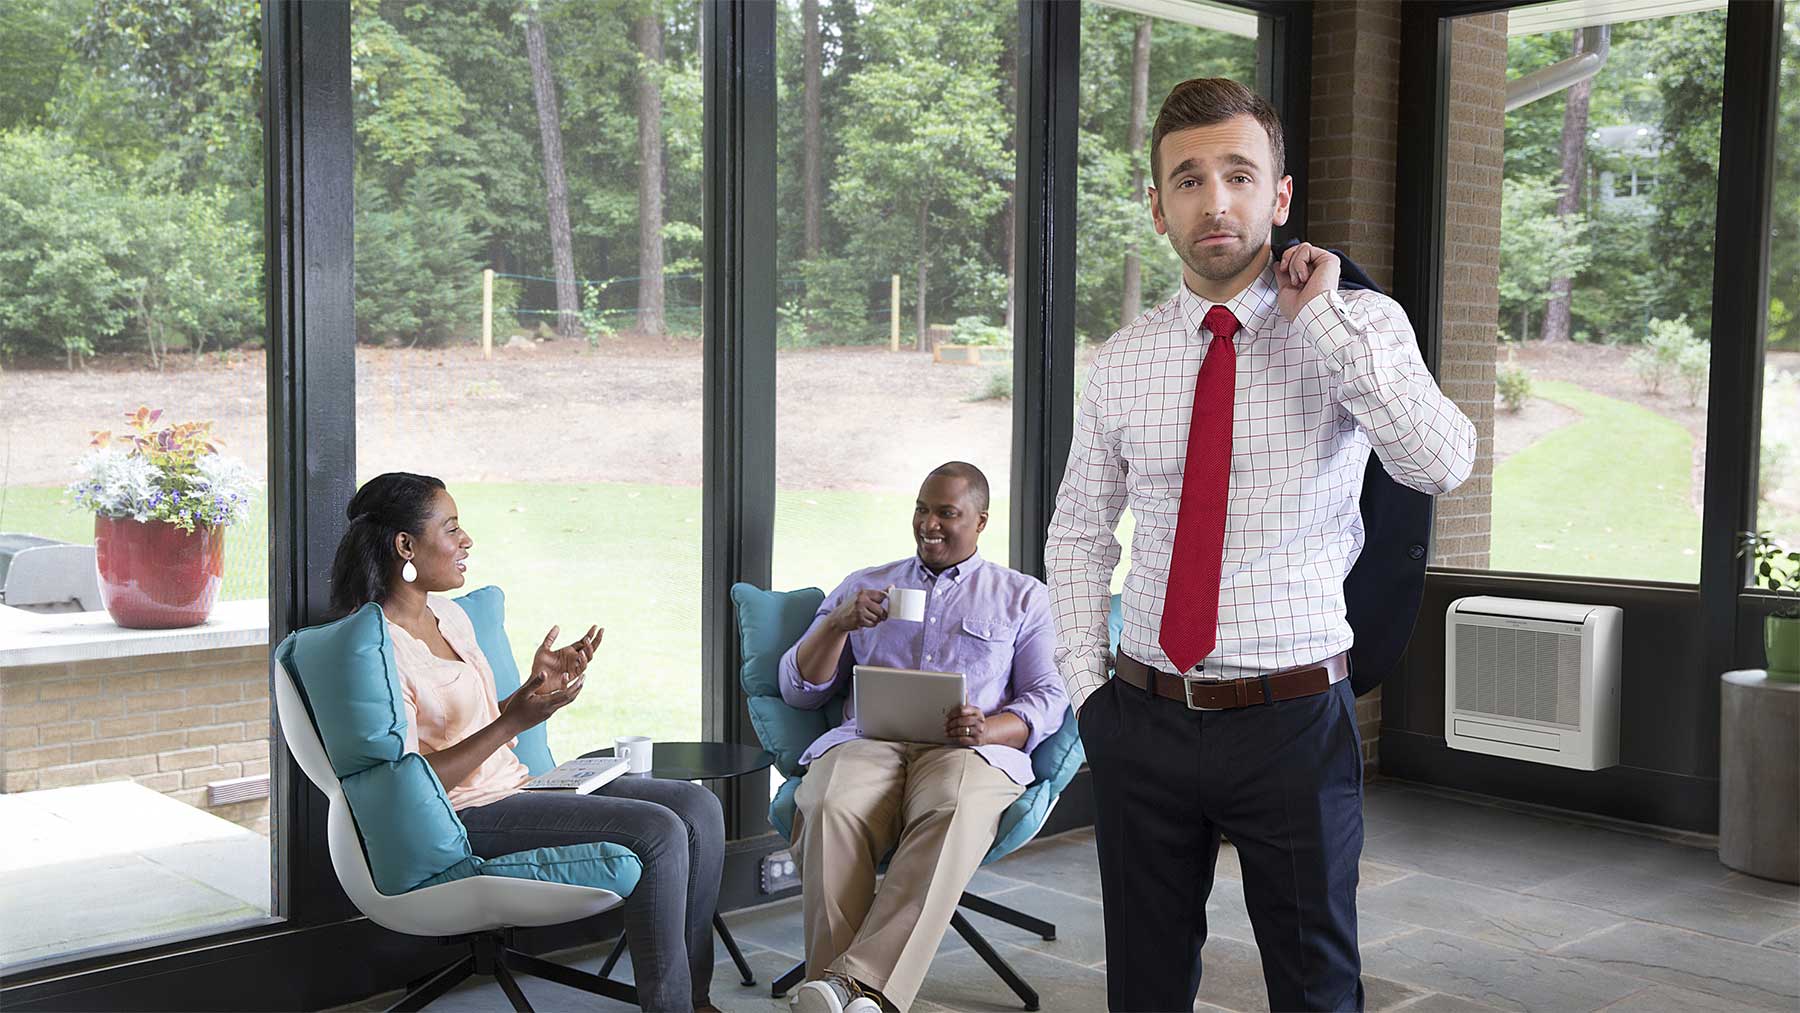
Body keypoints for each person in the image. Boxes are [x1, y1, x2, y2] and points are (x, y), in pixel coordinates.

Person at [1045, 78, 1475, 1013]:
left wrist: (1318, 314)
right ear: (1158, 206)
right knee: (1144, 990)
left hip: (1291, 719)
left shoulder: (1357, 326)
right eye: (1189, 180)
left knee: (1316, 987)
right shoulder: (1124, 358)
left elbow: (1442, 462)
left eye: (1241, 175)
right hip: (1144, 713)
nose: (1217, 200)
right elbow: (1079, 529)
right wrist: (1089, 692)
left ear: (1279, 197)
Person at [327, 472, 727, 1013]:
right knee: (657, 831)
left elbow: (477, 722)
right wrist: (512, 723)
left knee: (699, 806)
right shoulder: (374, 645)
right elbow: (406, 783)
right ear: (405, 545)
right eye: (451, 528)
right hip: (462, 815)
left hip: (517, 789)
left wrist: (536, 687)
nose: (466, 540)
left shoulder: (448, 615)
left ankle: (695, 1000)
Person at [778, 462, 1068, 1013]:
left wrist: (990, 726)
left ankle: (846, 987)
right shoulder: (866, 585)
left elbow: (1049, 698)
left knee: (953, 807)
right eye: (921, 508)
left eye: (946, 513)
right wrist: (836, 625)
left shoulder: (1023, 598)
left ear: (981, 521)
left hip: (969, 751)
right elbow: (799, 690)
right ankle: (854, 997)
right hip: (868, 742)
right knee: (827, 801)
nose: (928, 524)